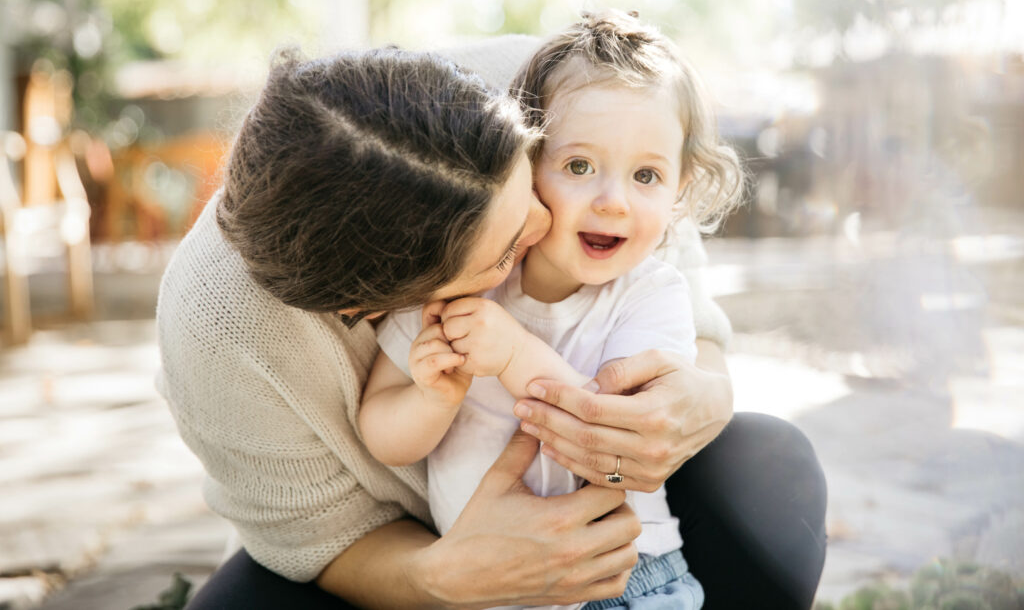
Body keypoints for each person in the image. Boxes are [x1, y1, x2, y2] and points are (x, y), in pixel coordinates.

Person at [157, 40, 826, 609]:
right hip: (389, 543)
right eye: (504, 250)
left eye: (530, 181)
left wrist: (706, 386)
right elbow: (313, 532)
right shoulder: (219, 335)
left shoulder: (556, 82)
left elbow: (665, 232)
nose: (545, 226)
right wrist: (442, 576)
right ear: (388, 302)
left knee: (769, 471)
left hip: (616, 541)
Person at [359, 10, 744, 609]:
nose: (612, 201)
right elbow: (381, 432)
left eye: (646, 175)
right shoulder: (462, 276)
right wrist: (431, 399)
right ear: (526, 162)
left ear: (679, 191)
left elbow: (614, 447)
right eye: (579, 166)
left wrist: (512, 354)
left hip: (619, 580)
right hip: (483, 589)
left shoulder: (651, 295)